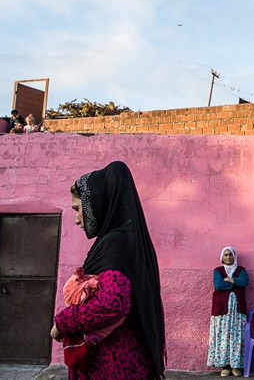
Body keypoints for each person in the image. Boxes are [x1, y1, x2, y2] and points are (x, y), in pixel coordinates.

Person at [50, 161, 167, 379]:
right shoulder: (128, 240)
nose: (77, 220)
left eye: (78, 209)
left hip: (113, 364)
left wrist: (62, 322)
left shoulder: (116, 244)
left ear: (96, 204)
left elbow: (111, 304)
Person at [208, 246, 249, 376]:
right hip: (222, 312)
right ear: (222, 257)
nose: (228, 257)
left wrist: (232, 280)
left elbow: (244, 281)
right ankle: (225, 366)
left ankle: (236, 367)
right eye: (225, 255)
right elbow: (218, 285)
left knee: (237, 338)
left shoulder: (241, 270)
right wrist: (235, 283)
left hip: (237, 313)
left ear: (234, 256)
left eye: (230, 254)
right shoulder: (218, 271)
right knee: (223, 338)